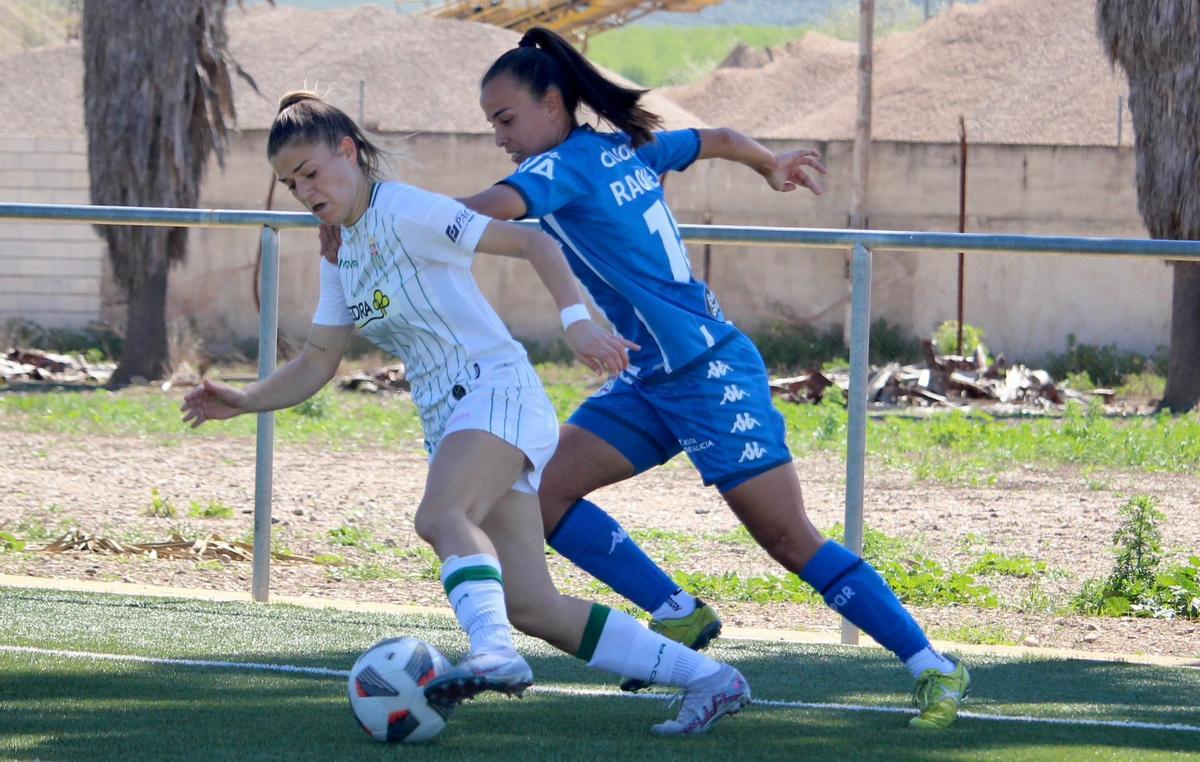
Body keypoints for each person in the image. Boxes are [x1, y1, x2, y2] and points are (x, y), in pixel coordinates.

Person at [182, 91, 750, 736]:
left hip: (496, 391)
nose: (303, 190)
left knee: (441, 516)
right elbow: (318, 361)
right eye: (290, 183)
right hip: (456, 421)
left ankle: (494, 655)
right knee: (533, 604)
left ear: (348, 151)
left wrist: (576, 324)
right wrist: (246, 400)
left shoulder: (408, 209)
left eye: (311, 172)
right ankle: (710, 679)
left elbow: (536, 244)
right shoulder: (341, 249)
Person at [449, 27, 969, 729]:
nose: (501, 137)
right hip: (650, 378)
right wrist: (769, 163)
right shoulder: (623, 147)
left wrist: (380, 218)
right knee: (541, 490)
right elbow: (717, 136)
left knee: (789, 540)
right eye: (492, 124)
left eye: (505, 119)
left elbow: (476, 214)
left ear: (552, 104)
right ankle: (678, 616)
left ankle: (934, 666)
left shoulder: (562, 167)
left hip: (710, 374)